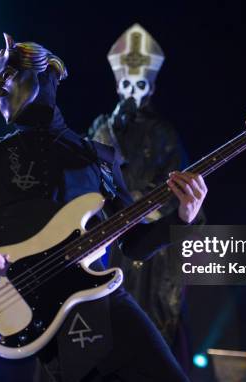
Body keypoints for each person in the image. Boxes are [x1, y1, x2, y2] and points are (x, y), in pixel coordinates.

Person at [0, 33, 207, 382]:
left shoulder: (99, 158)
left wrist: (183, 218)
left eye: (4, 78)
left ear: (41, 72)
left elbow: (134, 243)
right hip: (7, 300)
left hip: (86, 295)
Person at [88, 24, 202, 361]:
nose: (132, 93)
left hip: (149, 248)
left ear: (151, 88)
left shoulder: (164, 134)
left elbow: (178, 191)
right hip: (106, 242)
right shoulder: (99, 128)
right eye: (126, 84)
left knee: (147, 332)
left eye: (140, 85)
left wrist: (148, 204)